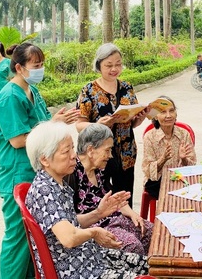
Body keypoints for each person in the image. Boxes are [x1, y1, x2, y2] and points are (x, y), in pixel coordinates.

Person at [0, 42, 79, 279]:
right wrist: (54, 125)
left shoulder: (32, 90)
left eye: (42, 65)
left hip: (34, 172)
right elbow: (18, 140)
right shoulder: (9, 97)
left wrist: (56, 120)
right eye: (36, 65)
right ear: (19, 68)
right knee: (18, 237)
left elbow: (41, 125)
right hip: (16, 173)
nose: (40, 70)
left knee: (35, 238)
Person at [26, 120, 149, 279]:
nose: (73, 155)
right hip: (77, 270)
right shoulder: (44, 190)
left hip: (90, 258)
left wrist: (98, 213)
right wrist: (94, 232)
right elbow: (69, 238)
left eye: (72, 148)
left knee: (148, 265)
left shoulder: (56, 183)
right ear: (44, 159)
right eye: (66, 151)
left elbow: (69, 222)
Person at [76, 43, 148, 203]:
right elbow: (79, 125)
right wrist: (97, 125)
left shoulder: (127, 88)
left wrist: (139, 119)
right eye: (109, 65)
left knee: (125, 198)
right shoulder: (89, 90)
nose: (114, 69)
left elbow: (132, 123)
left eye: (118, 64)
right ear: (98, 65)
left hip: (126, 153)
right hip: (99, 156)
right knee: (102, 200)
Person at [66, 123, 153, 255]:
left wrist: (132, 213)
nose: (110, 155)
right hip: (94, 228)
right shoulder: (71, 174)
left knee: (152, 231)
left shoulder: (99, 169)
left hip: (113, 219)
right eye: (107, 150)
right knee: (132, 246)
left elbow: (113, 200)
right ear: (90, 150)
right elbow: (68, 220)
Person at [142, 96, 197, 199]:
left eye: (171, 111)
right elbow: (147, 171)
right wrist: (163, 159)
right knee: (167, 193)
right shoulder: (149, 137)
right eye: (163, 112)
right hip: (157, 182)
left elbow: (192, 167)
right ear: (155, 116)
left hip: (181, 179)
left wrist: (184, 159)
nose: (168, 115)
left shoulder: (184, 134)